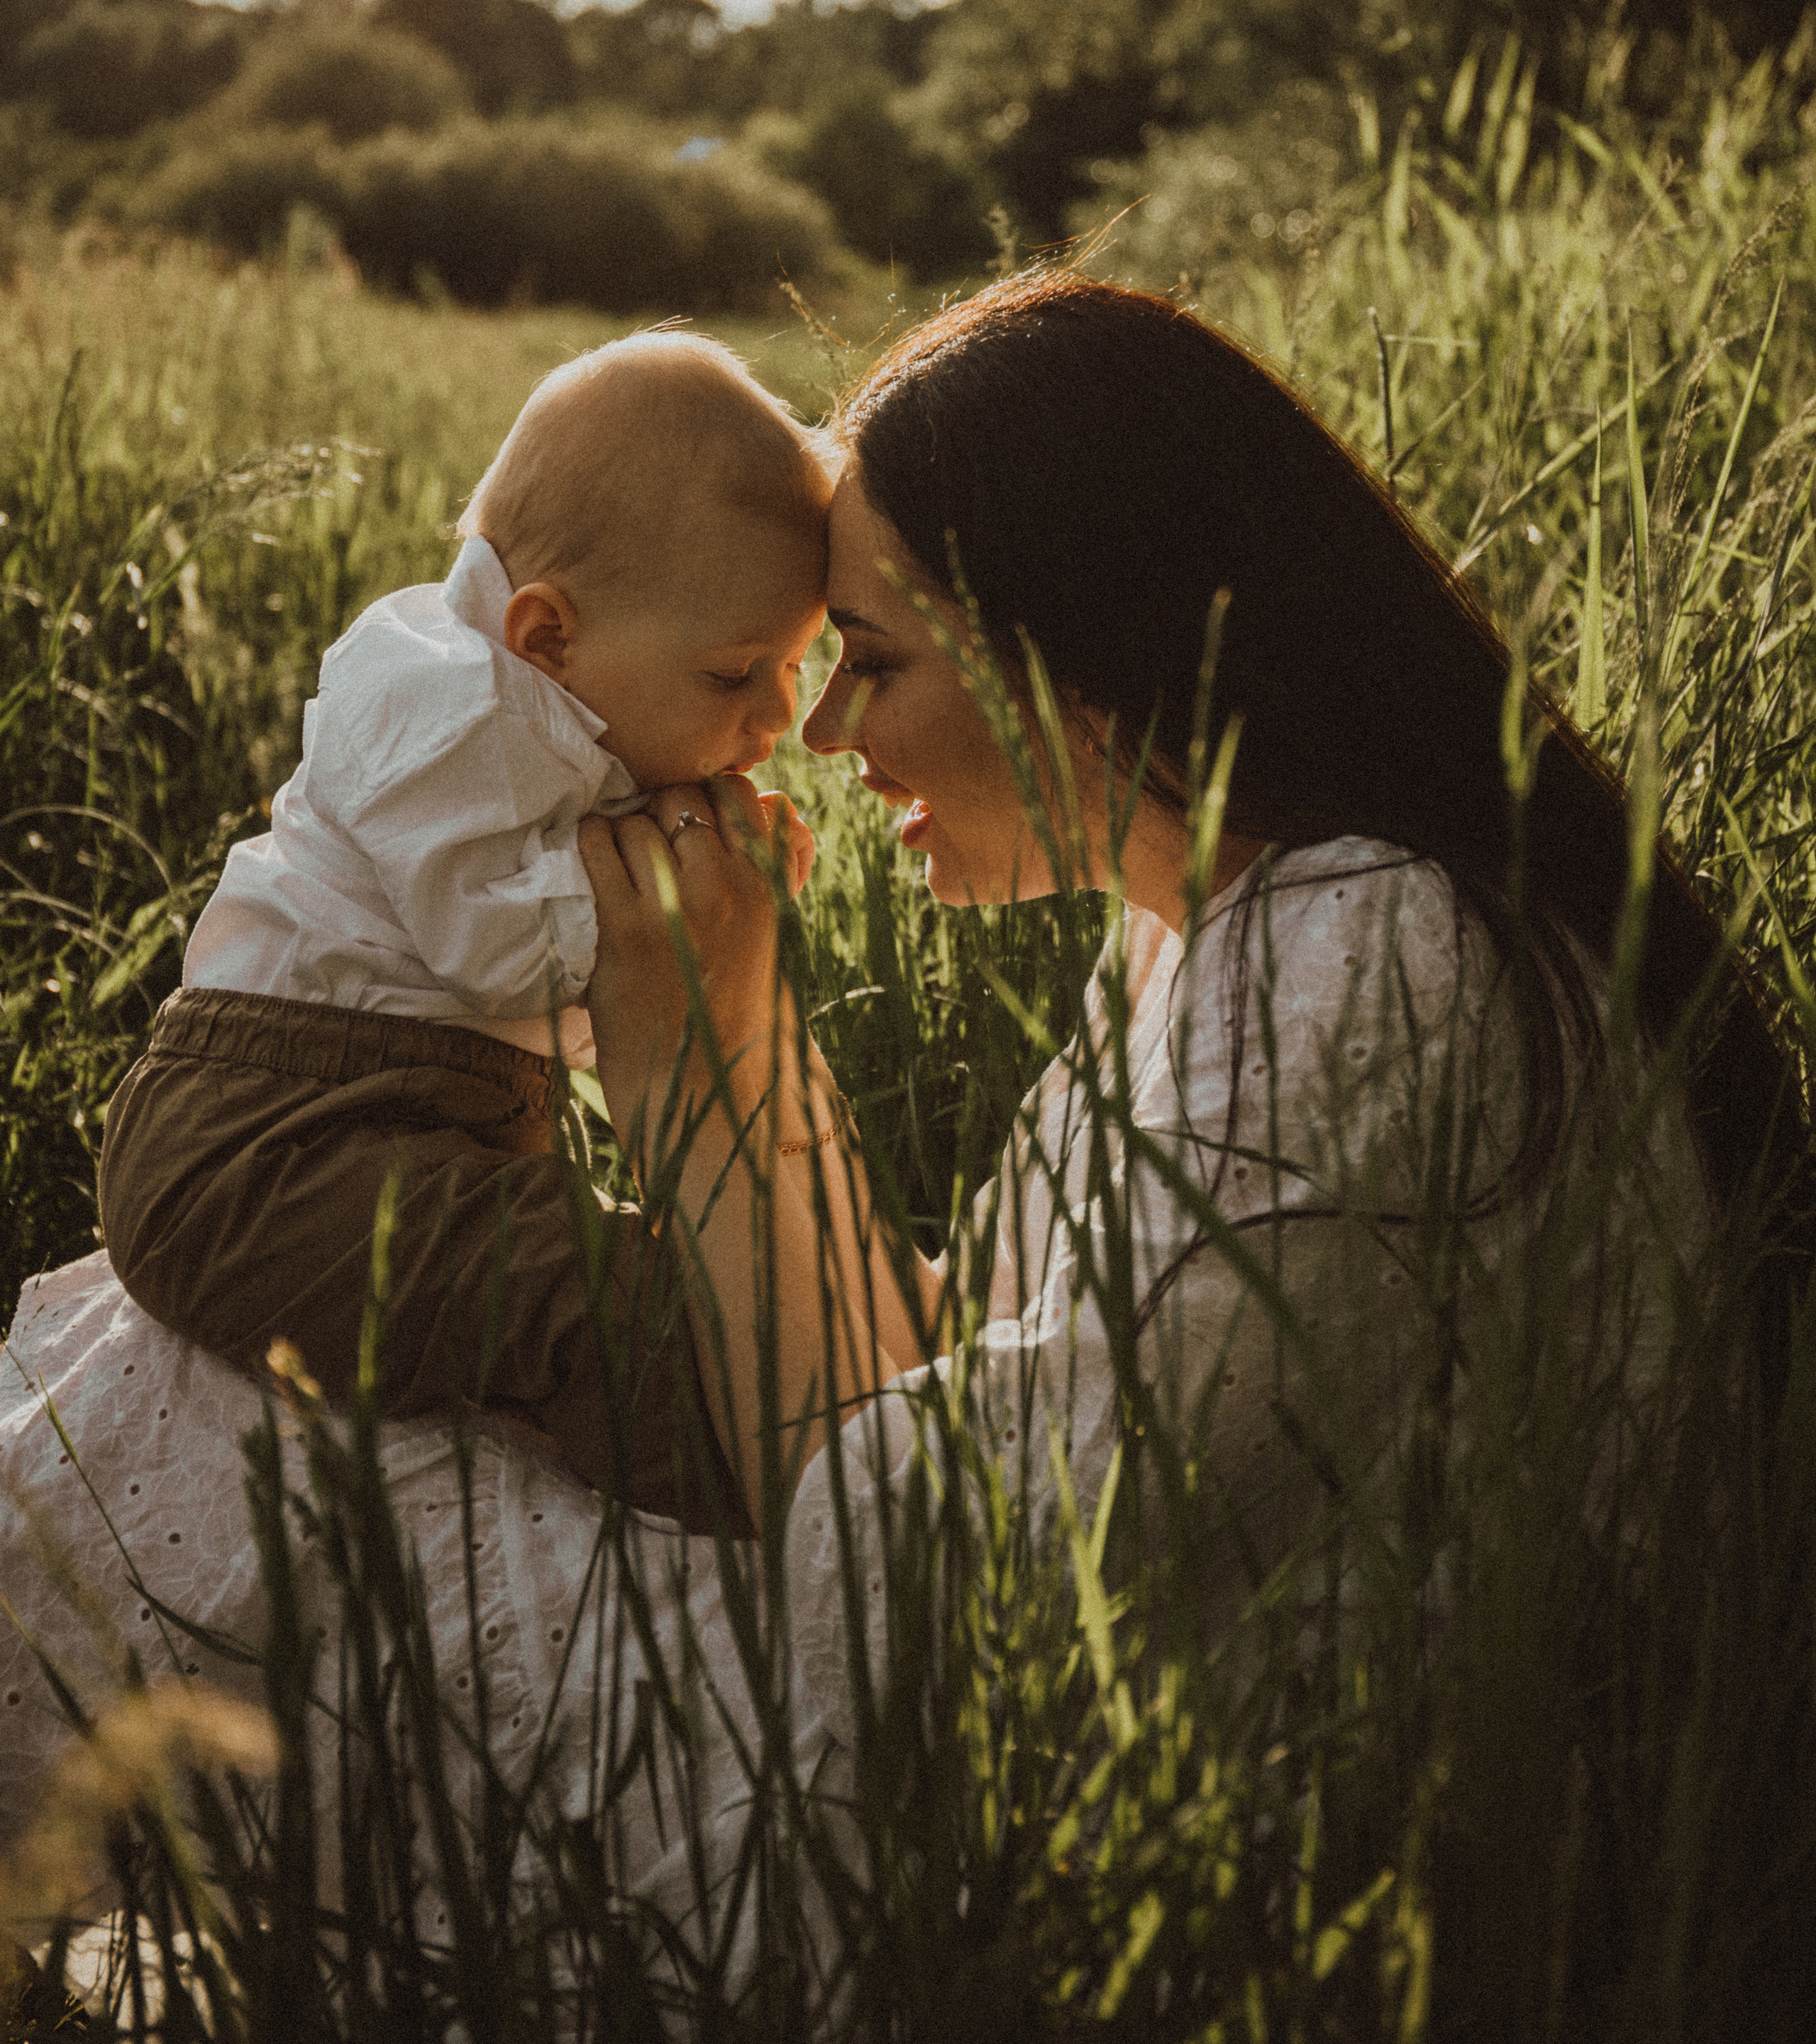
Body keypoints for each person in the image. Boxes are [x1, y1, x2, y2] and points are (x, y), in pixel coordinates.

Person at [0, 274, 1798, 2016]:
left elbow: (923, 1578)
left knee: (207, 1410)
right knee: (208, 1374)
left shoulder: (1371, 960)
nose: (823, 733)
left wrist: (702, 1058)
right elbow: (943, 1370)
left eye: (865, 658)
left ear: (1078, 655)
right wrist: (722, 1040)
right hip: (994, 1667)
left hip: (1112, 1801)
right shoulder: (1223, 931)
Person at [94, 331, 826, 1511]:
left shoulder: (567, 712)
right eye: (735, 674)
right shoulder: (449, 709)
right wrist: (681, 918)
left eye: (795, 666)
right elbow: (497, 951)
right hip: (262, 1142)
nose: (778, 715)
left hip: (401, 1123)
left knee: (592, 1272)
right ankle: (761, 1514)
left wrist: (713, 887)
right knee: (591, 1290)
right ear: (548, 634)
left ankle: (738, 1451)